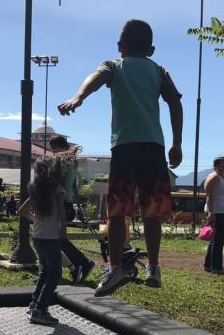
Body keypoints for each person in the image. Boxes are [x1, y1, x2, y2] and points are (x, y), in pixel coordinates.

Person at [58, 19, 183, 296]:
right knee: (152, 212)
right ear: (151, 49)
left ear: (119, 47)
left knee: (116, 211)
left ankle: (116, 268)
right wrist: (177, 143)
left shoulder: (114, 66)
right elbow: (175, 101)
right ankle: (153, 267)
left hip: (125, 147)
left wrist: (78, 98)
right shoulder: (159, 70)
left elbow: (95, 79)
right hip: (154, 148)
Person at [18, 156, 67, 325]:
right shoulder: (57, 189)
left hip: (37, 236)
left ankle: (34, 304)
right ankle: (40, 309)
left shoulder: (36, 190)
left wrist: (35, 220)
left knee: (45, 271)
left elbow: (22, 210)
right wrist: (63, 230)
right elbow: (61, 211)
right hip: (51, 236)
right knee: (55, 274)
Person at [49, 135, 97, 283]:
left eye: (52, 149)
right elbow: (74, 187)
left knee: (53, 239)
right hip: (67, 203)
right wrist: (79, 207)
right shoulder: (72, 162)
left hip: (60, 203)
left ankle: (80, 263)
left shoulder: (62, 162)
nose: (51, 152)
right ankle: (78, 265)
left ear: (57, 148)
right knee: (56, 239)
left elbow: (58, 183)